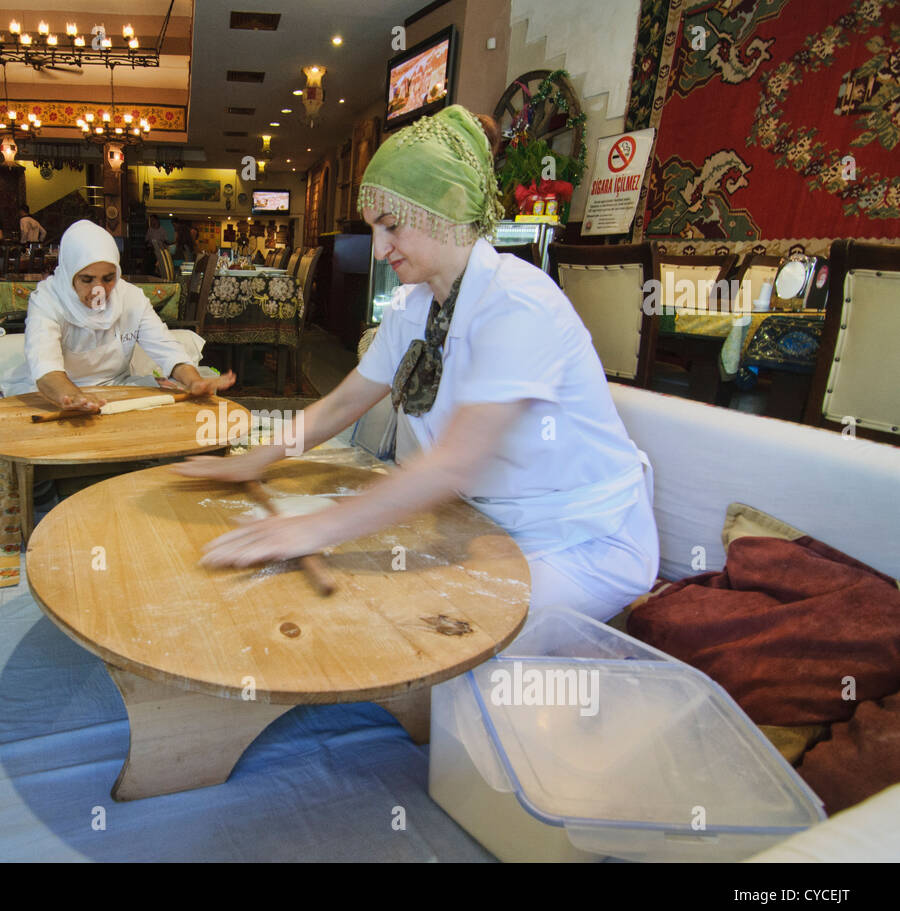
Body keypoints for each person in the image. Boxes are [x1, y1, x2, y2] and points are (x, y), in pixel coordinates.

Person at [175, 106, 659, 623]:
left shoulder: (516, 303)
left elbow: (455, 461)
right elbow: (343, 403)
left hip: (578, 539)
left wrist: (314, 528)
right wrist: (256, 460)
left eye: (391, 226)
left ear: (448, 209)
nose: (380, 249)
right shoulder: (414, 306)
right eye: (373, 229)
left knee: (432, 630)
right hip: (483, 521)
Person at [1, 220, 235, 519]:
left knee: (172, 420)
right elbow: (46, 368)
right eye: (87, 279)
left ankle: (145, 481)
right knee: (29, 439)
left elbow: (164, 346)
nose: (99, 289)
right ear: (70, 272)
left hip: (117, 386)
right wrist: (73, 399)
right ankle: (45, 504)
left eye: (108, 278)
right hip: (57, 391)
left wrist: (193, 380)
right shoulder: (48, 299)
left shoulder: (131, 298)